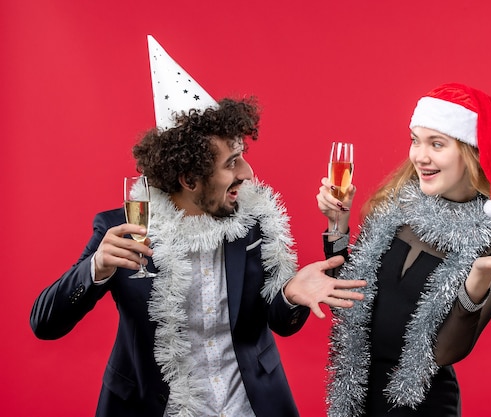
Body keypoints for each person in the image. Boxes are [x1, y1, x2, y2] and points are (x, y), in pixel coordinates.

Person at [30, 36, 365, 417]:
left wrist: (290, 293)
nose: (248, 173)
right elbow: (45, 324)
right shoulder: (123, 232)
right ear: (189, 179)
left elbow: (282, 324)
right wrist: (95, 270)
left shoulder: (255, 222)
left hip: (249, 406)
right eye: (231, 163)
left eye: (243, 156)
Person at [317, 83, 491, 416]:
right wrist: (337, 224)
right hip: (356, 396)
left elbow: (444, 352)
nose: (419, 156)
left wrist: (476, 281)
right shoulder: (397, 207)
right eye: (415, 140)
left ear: (471, 154)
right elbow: (345, 298)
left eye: (436, 144)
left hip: (421, 406)